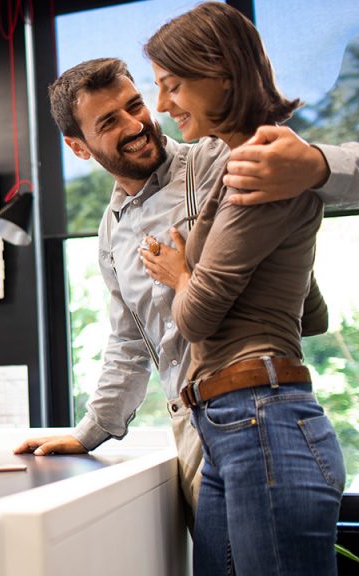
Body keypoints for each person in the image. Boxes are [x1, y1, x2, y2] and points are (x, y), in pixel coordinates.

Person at [15, 56, 358, 532]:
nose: (136, 124)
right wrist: (89, 432)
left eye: (135, 105)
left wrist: (316, 165)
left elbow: (336, 177)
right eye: (109, 121)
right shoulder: (110, 235)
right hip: (192, 435)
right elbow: (130, 343)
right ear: (78, 146)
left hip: (257, 409)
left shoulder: (215, 158)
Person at [140, 4, 346, 574]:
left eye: (172, 85)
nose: (161, 107)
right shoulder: (266, 168)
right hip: (244, 423)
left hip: (260, 422)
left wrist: (179, 271)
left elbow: (195, 319)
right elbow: (313, 315)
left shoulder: (256, 170)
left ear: (222, 74)